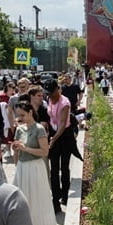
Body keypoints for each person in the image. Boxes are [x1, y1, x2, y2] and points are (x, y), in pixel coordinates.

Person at [12, 101, 55, 225]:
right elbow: (17, 151)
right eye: (18, 115)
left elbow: (44, 151)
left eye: (22, 115)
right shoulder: (19, 129)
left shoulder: (39, 129)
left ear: (30, 112)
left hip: (35, 166)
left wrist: (26, 149)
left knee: (37, 197)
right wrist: (16, 152)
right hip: (23, 166)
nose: (20, 118)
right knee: (23, 198)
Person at [46, 79, 77, 212]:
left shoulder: (65, 103)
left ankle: (65, 195)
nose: (50, 96)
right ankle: (55, 198)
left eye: (51, 92)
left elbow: (63, 124)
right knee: (54, 169)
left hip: (64, 136)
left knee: (64, 167)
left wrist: (54, 139)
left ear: (57, 90)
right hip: (54, 134)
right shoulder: (49, 99)